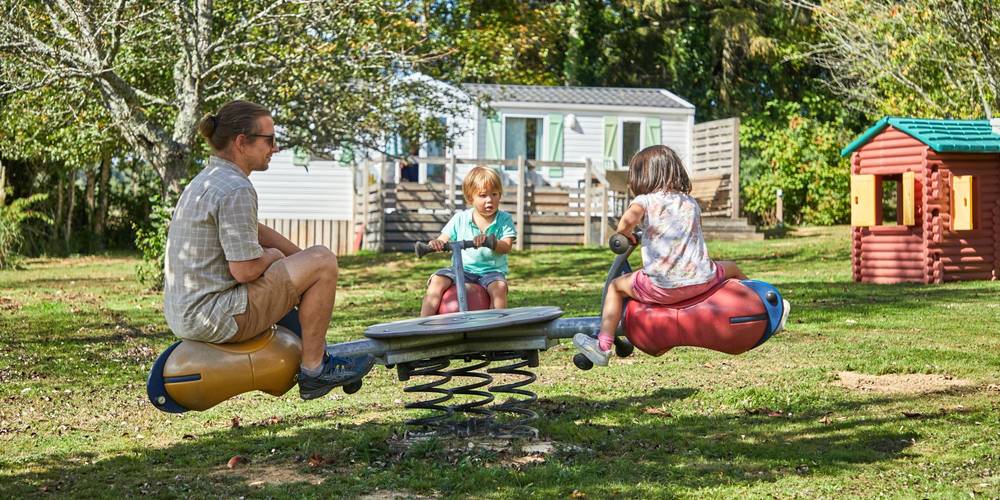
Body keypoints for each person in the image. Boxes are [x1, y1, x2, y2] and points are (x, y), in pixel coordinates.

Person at [163, 100, 373, 400]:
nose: (275, 149)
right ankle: (315, 370)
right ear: (241, 142)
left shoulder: (209, 179)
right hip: (217, 316)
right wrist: (296, 261)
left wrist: (301, 260)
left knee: (314, 262)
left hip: (189, 312)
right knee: (324, 259)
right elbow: (245, 270)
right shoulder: (237, 188)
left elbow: (256, 231)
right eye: (270, 140)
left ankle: (315, 350)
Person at [573, 145, 790, 366]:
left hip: (663, 287)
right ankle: (759, 302)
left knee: (616, 287)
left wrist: (624, 234)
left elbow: (627, 221)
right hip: (702, 279)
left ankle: (603, 344)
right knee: (732, 267)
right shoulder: (690, 203)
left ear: (644, 176)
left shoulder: (645, 201)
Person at [420, 166, 516, 315]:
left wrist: (492, 242)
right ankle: (423, 323)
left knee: (499, 288)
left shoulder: (504, 219)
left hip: (491, 272)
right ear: (471, 198)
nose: (489, 200)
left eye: (494, 194)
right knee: (437, 281)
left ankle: (497, 325)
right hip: (461, 270)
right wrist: (436, 244)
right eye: (483, 195)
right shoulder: (460, 219)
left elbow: (507, 246)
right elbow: (443, 239)